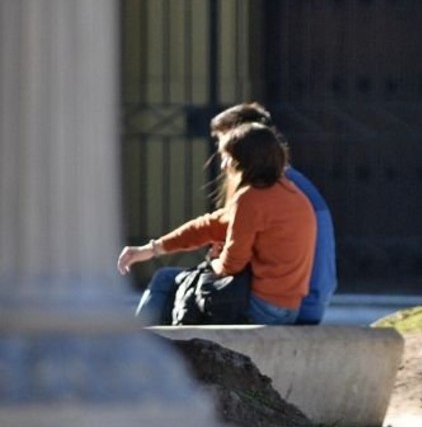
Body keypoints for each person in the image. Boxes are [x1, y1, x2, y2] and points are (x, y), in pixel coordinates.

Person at [118, 122, 318, 326]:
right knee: (182, 285)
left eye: (228, 158)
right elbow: (209, 225)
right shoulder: (290, 192)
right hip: (288, 309)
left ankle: (135, 346)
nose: (223, 166)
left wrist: (211, 262)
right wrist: (152, 249)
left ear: (245, 161)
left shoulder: (251, 198)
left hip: (261, 308)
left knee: (166, 280)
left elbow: (232, 264)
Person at [208, 102, 337, 324]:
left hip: (294, 304)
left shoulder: (265, 187)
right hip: (308, 301)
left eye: (225, 145)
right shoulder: (288, 184)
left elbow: (234, 260)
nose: (223, 159)